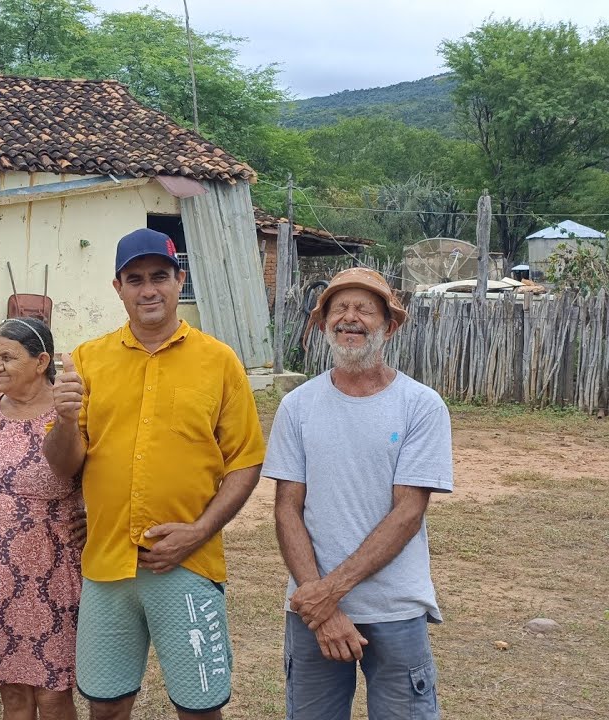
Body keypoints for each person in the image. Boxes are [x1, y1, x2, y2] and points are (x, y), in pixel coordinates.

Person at [43, 228, 266, 720]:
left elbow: (246, 460)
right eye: (135, 279)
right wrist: (62, 418)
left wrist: (199, 532)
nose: (149, 289)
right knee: (106, 704)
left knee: (200, 707)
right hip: (107, 566)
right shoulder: (87, 361)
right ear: (118, 287)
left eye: (160, 277)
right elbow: (65, 464)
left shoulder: (219, 360)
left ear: (178, 280)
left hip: (185, 563)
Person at [264, 267, 453, 720]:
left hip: (395, 608)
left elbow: (408, 512)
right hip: (312, 612)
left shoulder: (421, 406)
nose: (350, 318)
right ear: (323, 322)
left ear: (388, 326)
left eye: (364, 309)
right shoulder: (297, 406)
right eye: (340, 309)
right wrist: (322, 605)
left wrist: (330, 592)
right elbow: (287, 508)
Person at [0, 317, 81, 720]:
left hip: (50, 569)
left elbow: (96, 474)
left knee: (52, 691)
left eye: (8, 357)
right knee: (11, 690)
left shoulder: (69, 413)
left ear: (40, 361)